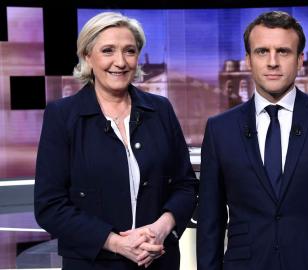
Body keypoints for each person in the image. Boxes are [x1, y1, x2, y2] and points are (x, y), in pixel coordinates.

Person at [197, 11, 308, 270]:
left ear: (300, 59)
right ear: (248, 60)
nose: (272, 62)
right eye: (261, 51)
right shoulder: (219, 129)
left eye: (283, 51)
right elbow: (209, 224)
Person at [34, 12, 198, 270]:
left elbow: (186, 185)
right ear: (88, 56)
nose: (120, 62)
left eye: (129, 51)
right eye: (108, 50)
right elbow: (50, 206)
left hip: (158, 259)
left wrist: (160, 228)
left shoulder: (160, 109)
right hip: (94, 263)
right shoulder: (62, 116)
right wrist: (115, 242)